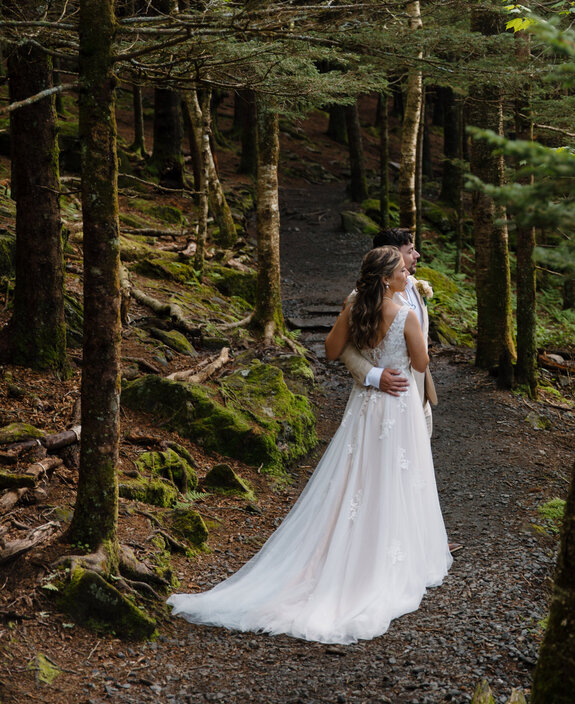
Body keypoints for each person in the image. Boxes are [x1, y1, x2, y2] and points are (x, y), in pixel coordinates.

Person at [167, 247, 451, 644]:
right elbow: (420, 364)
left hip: (364, 409)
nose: (408, 273)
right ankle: (381, 559)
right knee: (395, 477)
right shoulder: (403, 315)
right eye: (402, 270)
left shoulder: (357, 309)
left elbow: (332, 349)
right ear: (387, 278)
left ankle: (354, 549)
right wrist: (411, 343)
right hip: (397, 407)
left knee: (357, 478)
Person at [340, 228, 436, 436]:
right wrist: (372, 375)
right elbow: (343, 345)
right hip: (382, 399)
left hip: (419, 398)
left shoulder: (414, 285)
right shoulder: (360, 297)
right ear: (391, 254)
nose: (417, 255)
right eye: (410, 250)